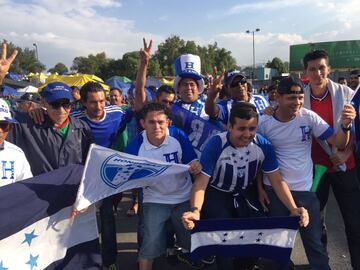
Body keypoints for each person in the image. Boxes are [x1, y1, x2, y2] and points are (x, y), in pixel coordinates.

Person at [182, 102, 309, 270]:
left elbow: (277, 181)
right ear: (229, 127)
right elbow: (201, 183)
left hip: (244, 192)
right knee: (223, 242)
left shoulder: (264, 145)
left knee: (260, 231)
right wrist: (196, 210)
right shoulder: (216, 144)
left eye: (252, 129)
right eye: (241, 129)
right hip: (217, 193)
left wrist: (293, 209)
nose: (247, 134)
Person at [257, 76, 355, 270]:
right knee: (279, 244)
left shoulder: (308, 117)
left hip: (305, 191)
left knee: (315, 244)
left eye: (301, 97)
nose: (297, 102)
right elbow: (258, 161)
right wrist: (260, 188)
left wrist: (345, 125)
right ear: (278, 97)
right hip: (274, 192)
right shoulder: (264, 123)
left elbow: (339, 142)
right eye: (291, 98)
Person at [125, 102, 202, 270]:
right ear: (142, 123)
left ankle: (189, 255)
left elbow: (192, 161)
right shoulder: (135, 146)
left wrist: (196, 166)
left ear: (168, 122)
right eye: (151, 122)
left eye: (161, 122)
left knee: (189, 238)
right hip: (155, 199)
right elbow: (124, 173)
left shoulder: (178, 136)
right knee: (150, 241)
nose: (157, 126)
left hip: (183, 196)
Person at [302, 49, 360, 269]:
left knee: (355, 224)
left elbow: (357, 132)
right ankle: (322, 264)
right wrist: (269, 111)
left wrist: (345, 153)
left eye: (321, 68)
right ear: (306, 72)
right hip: (314, 170)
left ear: (329, 69)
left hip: (345, 167)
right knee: (316, 224)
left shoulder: (346, 94)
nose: (318, 73)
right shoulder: (300, 98)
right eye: (312, 69)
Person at [205, 69, 269, 127]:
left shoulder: (261, 98)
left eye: (242, 81)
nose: (240, 85)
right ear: (227, 88)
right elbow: (211, 111)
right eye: (234, 84)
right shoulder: (226, 106)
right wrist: (211, 96)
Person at [0, 98, 32, 187]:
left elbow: (25, 190)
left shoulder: (17, 154)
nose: (0, 130)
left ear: (10, 127)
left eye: (4, 125)